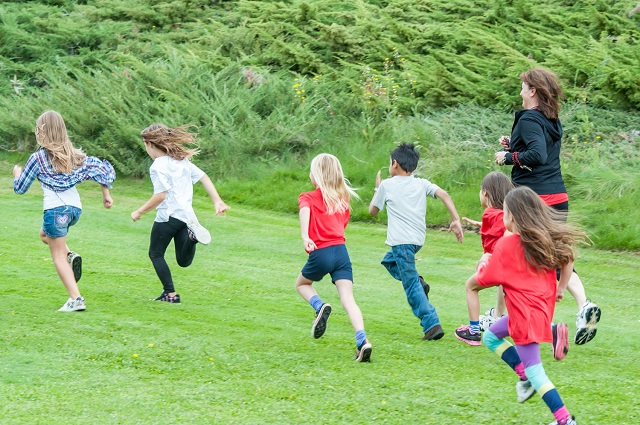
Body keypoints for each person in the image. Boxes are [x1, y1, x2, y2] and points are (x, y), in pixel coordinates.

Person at [494, 67, 600, 345]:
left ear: (533, 91)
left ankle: (504, 319)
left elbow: (536, 155)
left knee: (518, 258)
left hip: (534, 200)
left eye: (523, 87)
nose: (520, 91)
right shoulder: (549, 118)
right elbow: (540, 148)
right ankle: (584, 306)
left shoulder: (529, 118)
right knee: (556, 257)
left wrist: (508, 157)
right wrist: (513, 144)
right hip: (557, 196)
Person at [476, 186, 585, 425]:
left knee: (538, 374)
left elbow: (486, 279)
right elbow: (568, 259)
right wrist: (562, 287)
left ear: (512, 216)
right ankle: (525, 372)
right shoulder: (543, 240)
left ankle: (564, 420)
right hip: (537, 312)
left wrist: (483, 264)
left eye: (504, 212)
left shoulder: (507, 245)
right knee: (491, 337)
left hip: (524, 318)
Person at [12, 110, 115, 312]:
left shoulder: (37, 158)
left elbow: (20, 188)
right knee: (45, 235)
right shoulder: (75, 156)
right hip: (74, 210)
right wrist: (106, 195)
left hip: (55, 211)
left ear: (41, 131)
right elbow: (101, 170)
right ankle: (71, 255)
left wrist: (18, 174)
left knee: (56, 254)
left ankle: (76, 299)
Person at [369, 143, 464, 341]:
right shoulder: (421, 183)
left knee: (410, 283)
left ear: (395, 164)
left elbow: (373, 211)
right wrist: (456, 219)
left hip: (401, 243)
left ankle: (431, 323)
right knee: (389, 261)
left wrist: (377, 189)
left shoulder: (387, 185)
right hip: (416, 241)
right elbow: (444, 194)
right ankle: (419, 284)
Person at [131, 123, 230, 304]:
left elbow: (161, 195)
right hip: (186, 216)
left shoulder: (157, 166)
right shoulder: (181, 161)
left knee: (156, 254)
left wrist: (139, 211)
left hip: (168, 217)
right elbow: (204, 177)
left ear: (149, 144)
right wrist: (217, 200)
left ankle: (170, 294)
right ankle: (192, 238)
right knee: (183, 261)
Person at [295, 153, 372, 362]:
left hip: (321, 252)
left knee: (302, 284)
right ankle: (362, 340)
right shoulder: (342, 200)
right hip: (341, 252)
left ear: (316, 176)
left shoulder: (308, 197)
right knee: (348, 299)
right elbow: (342, 225)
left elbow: (304, 211)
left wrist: (305, 236)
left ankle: (320, 306)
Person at [455, 171, 514, 346]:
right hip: (510, 268)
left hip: (496, 265)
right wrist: (481, 225)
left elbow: (506, 233)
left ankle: (473, 332)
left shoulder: (490, 213)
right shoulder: (502, 214)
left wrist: (490, 256)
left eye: (480, 191)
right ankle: (551, 329)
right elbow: (503, 227)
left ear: (485, 193)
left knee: (470, 286)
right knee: (517, 303)